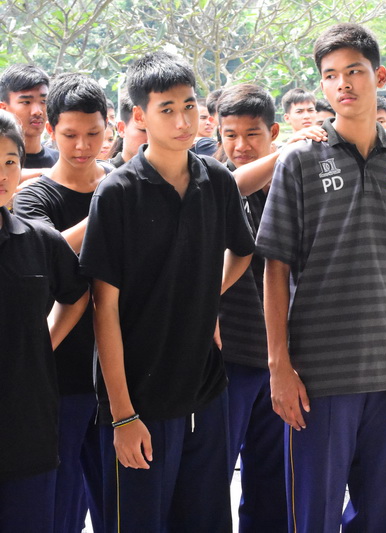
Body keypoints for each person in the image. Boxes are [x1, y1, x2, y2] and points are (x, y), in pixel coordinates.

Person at [256, 24, 386, 532]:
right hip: (317, 378)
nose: (343, 84)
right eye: (330, 75)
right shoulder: (299, 159)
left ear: (379, 76)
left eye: (354, 71)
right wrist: (279, 365)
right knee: (314, 518)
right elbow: (275, 269)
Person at [79, 51, 255, 532]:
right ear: (140, 115)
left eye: (190, 106)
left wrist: (206, 297)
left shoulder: (217, 181)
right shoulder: (117, 192)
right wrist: (121, 415)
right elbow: (103, 308)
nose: (183, 121)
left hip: (206, 390)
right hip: (139, 399)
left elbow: (243, 251)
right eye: (167, 109)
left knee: (205, 519)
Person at [12, 72, 112, 533]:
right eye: (70, 135)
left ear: (109, 128)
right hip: (62, 378)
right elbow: (47, 256)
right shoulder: (35, 197)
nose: (83, 146)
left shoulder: (121, 185)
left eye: (93, 133)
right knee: (61, 507)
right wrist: (108, 206)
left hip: (120, 374)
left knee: (118, 505)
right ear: (51, 131)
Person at [0, 109, 90, 532]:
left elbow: (77, 295)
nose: (2, 174)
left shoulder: (39, 240)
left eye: (10, 161)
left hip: (28, 428)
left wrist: (44, 342)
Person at [214, 83, 288, 532]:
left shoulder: (289, 188)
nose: (240, 145)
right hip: (227, 357)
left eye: (252, 134)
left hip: (279, 359)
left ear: (273, 132)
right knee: (212, 476)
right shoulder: (211, 185)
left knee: (272, 482)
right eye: (230, 135)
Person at [0, 64, 59, 176]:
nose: (38, 111)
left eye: (44, 101)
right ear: (3, 108)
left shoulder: (59, 161)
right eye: (26, 102)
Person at [108, 93, 148, 168]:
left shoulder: (166, 172)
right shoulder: (105, 172)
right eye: (143, 131)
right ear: (122, 128)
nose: (150, 139)